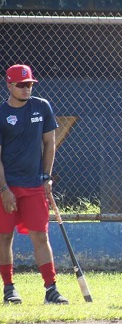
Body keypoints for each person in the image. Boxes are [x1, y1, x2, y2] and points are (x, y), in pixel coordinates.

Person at [0, 64, 69, 305]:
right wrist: (4, 189)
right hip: (7, 186)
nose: (26, 88)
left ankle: (51, 289)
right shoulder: (1, 113)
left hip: (34, 184)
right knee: (4, 237)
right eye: (21, 84)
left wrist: (46, 176)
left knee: (40, 236)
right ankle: (9, 289)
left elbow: (49, 143)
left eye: (29, 84)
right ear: (9, 85)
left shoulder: (42, 106)